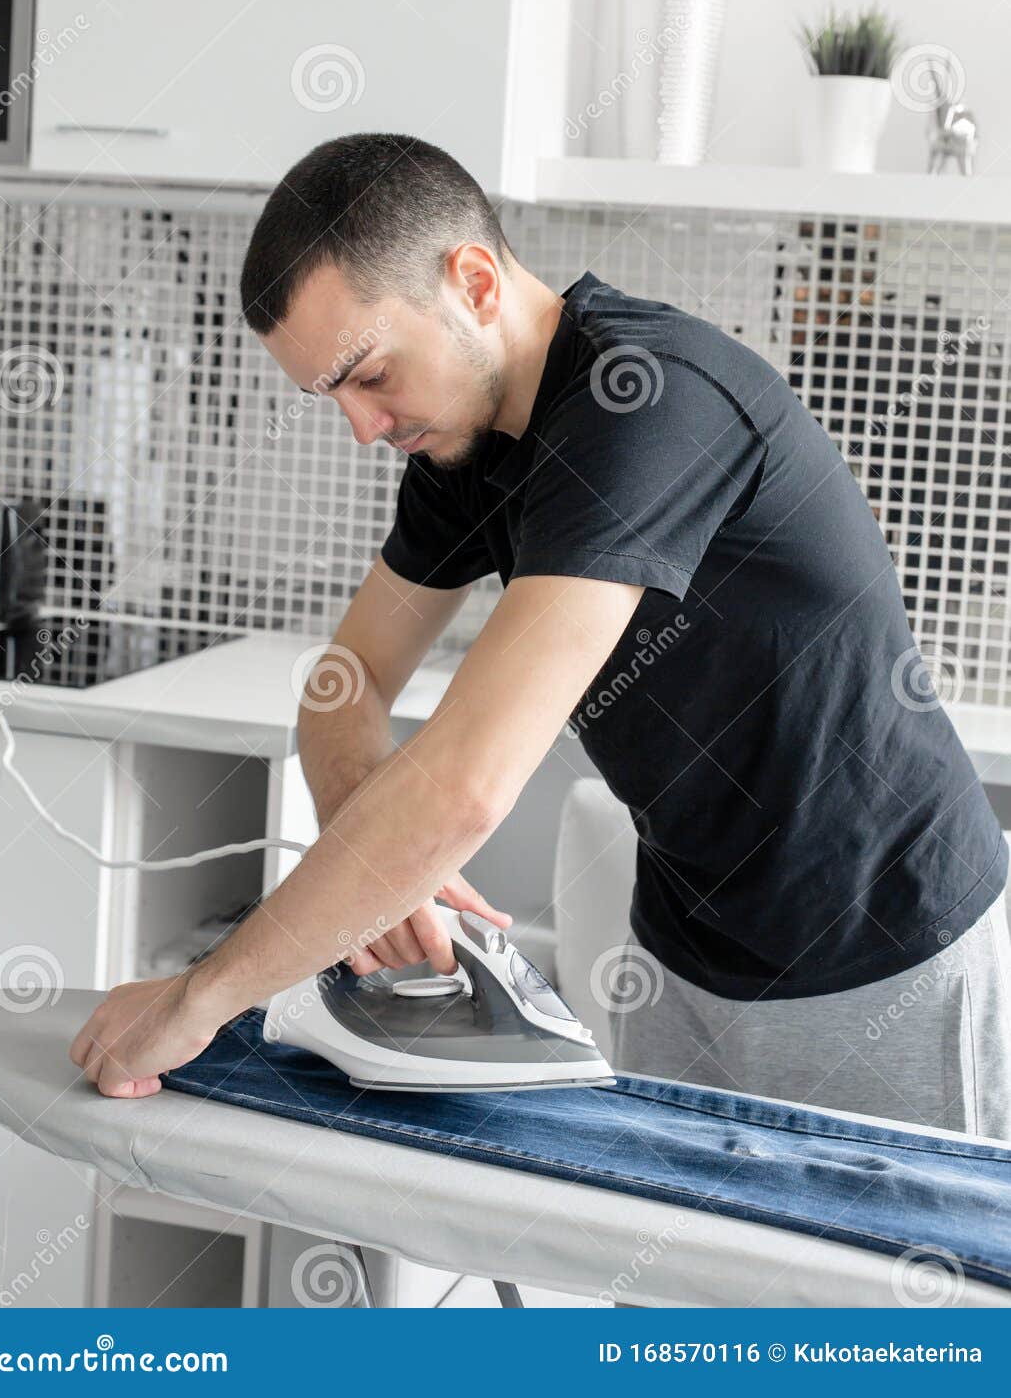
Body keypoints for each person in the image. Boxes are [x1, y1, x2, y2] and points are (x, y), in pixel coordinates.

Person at [68, 132, 1011, 1142]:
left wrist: (199, 998)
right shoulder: (463, 450)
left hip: (884, 953)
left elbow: (465, 784)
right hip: (683, 952)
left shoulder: (648, 401)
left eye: (369, 375)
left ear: (473, 283)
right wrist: (379, 874)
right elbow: (346, 680)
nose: (361, 427)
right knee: (670, 1249)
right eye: (331, 396)